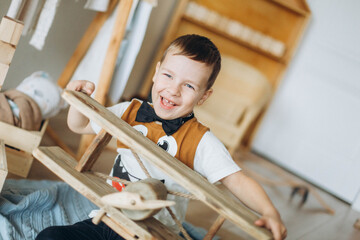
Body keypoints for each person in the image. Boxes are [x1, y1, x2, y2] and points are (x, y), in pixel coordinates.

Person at [36, 34, 287, 240]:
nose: (173, 90)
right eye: (168, 76)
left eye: (189, 86)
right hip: (109, 218)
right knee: (49, 237)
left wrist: (269, 211)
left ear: (203, 97)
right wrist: (79, 101)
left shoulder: (200, 141)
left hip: (153, 233)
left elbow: (237, 181)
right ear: (156, 73)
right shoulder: (130, 111)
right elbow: (79, 127)